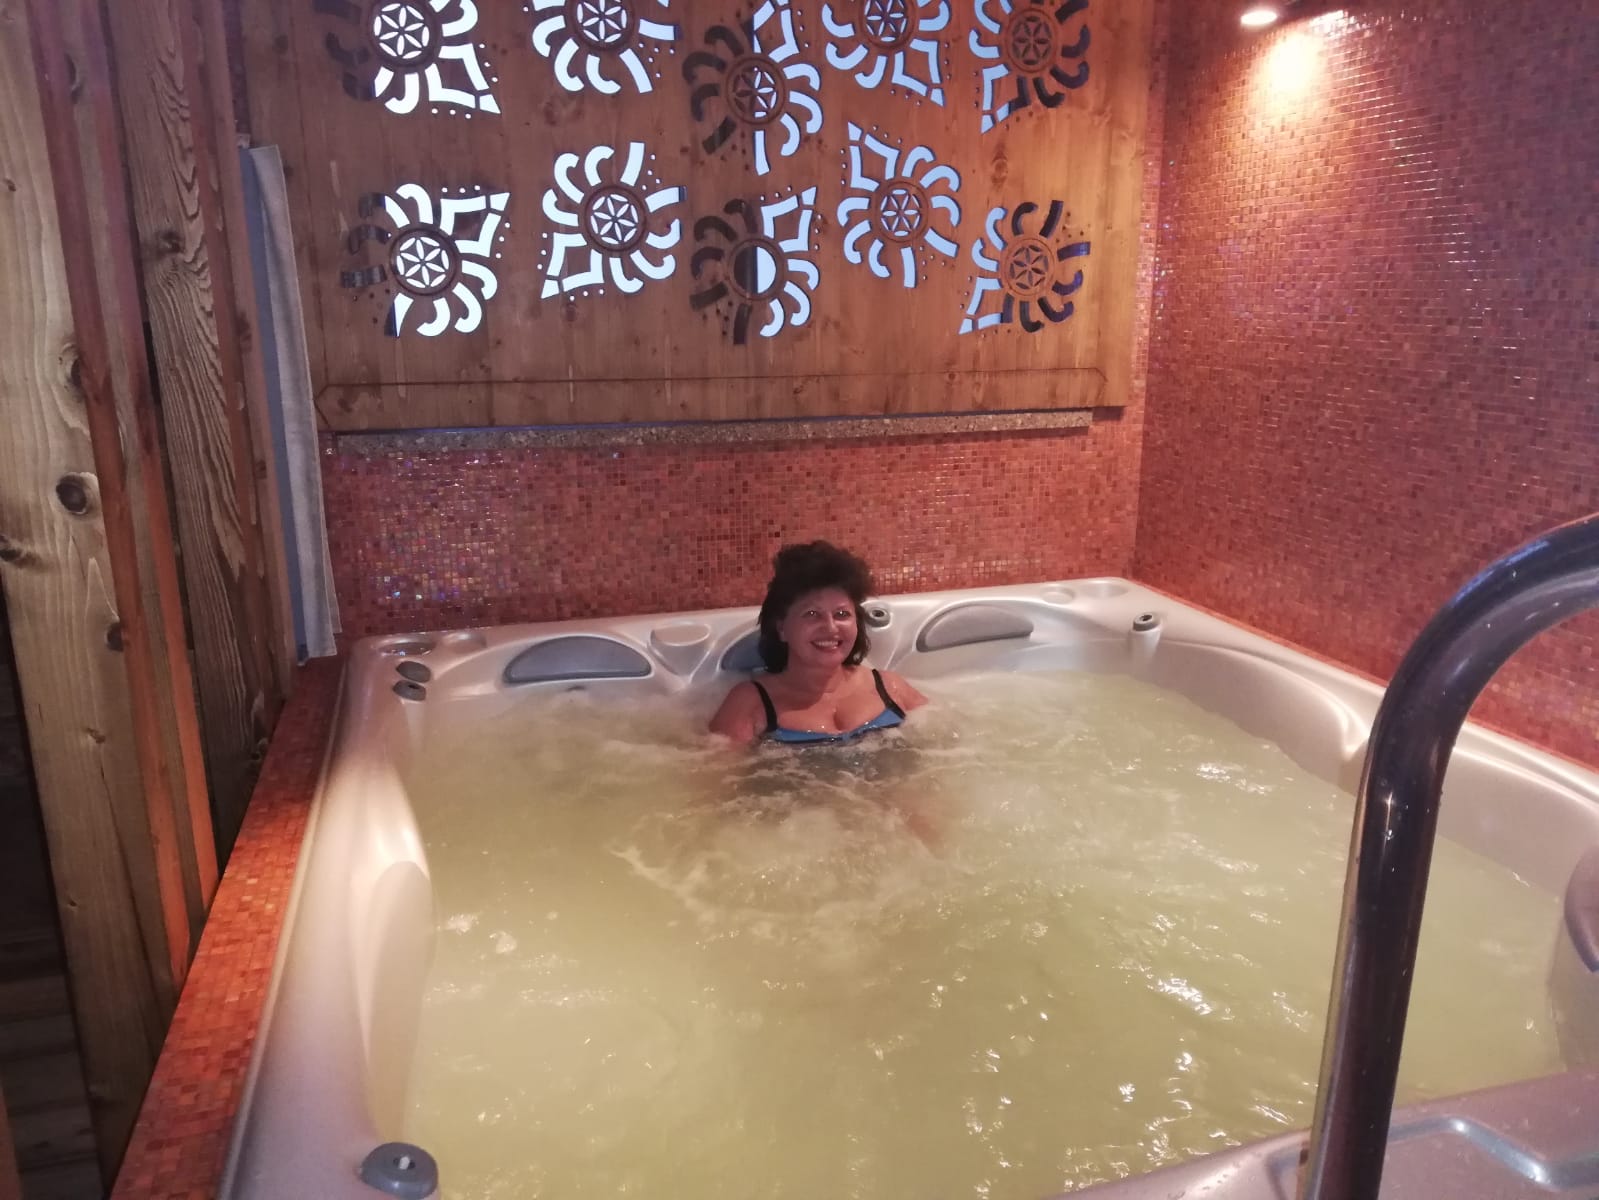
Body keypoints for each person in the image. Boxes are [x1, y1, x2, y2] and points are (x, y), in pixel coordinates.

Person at [710, 542, 927, 744]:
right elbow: (718, 769)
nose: (831, 628)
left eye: (842, 614)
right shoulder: (750, 702)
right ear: (782, 628)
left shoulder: (890, 687)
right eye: (812, 614)